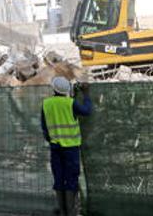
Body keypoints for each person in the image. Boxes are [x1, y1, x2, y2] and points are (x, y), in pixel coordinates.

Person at [41, 76, 92, 216]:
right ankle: (72, 212)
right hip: (71, 148)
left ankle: (63, 211)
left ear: (53, 89)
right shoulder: (71, 103)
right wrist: (86, 94)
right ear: (66, 90)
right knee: (71, 178)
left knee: (58, 177)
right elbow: (87, 111)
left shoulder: (46, 103)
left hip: (55, 148)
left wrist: (52, 138)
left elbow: (44, 127)